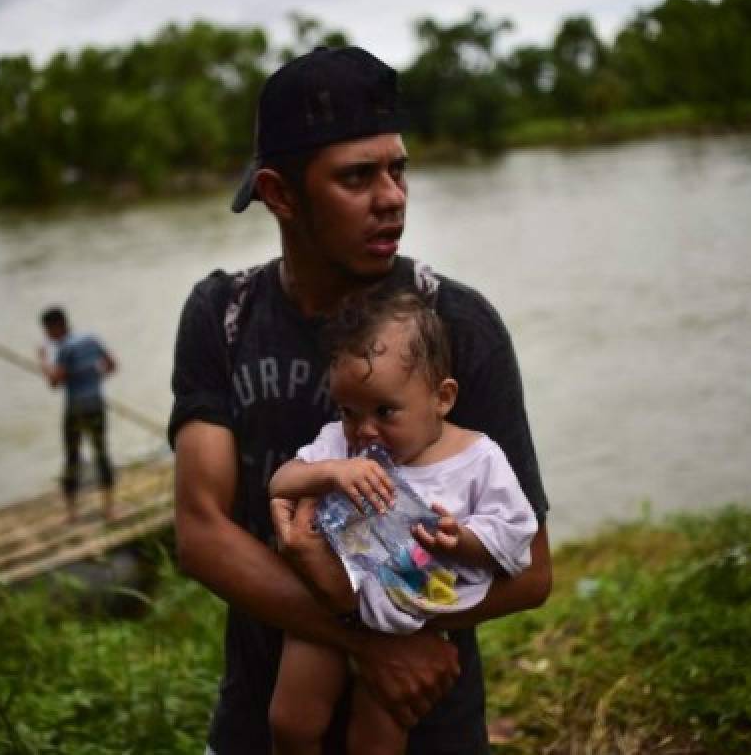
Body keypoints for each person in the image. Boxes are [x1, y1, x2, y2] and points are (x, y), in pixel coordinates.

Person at [169, 45, 552, 755]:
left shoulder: (454, 327)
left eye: (398, 169)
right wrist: (368, 638)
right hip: (266, 718)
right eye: (357, 176)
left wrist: (392, 627)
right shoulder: (223, 317)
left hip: (425, 719)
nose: (392, 197)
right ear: (280, 194)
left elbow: (531, 572)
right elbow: (201, 533)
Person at [267, 290, 538, 755]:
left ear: (442, 397)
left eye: (385, 412)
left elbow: (516, 535)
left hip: (409, 623)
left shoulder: (476, 458)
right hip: (329, 604)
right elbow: (281, 482)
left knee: (378, 742)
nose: (365, 430)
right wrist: (330, 471)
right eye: (349, 411)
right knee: (291, 722)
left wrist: (465, 540)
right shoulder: (340, 447)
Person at [38, 306, 117, 521]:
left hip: (75, 410)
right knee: (101, 453)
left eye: (48, 331)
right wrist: (92, 378)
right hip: (96, 404)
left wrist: (43, 361)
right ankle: (109, 508)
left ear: (56, 326)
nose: (47, 336)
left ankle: (72, 513)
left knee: (72, 457)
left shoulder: (65, 349)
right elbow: (111, 366)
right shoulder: (91, 339)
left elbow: (55, 381)